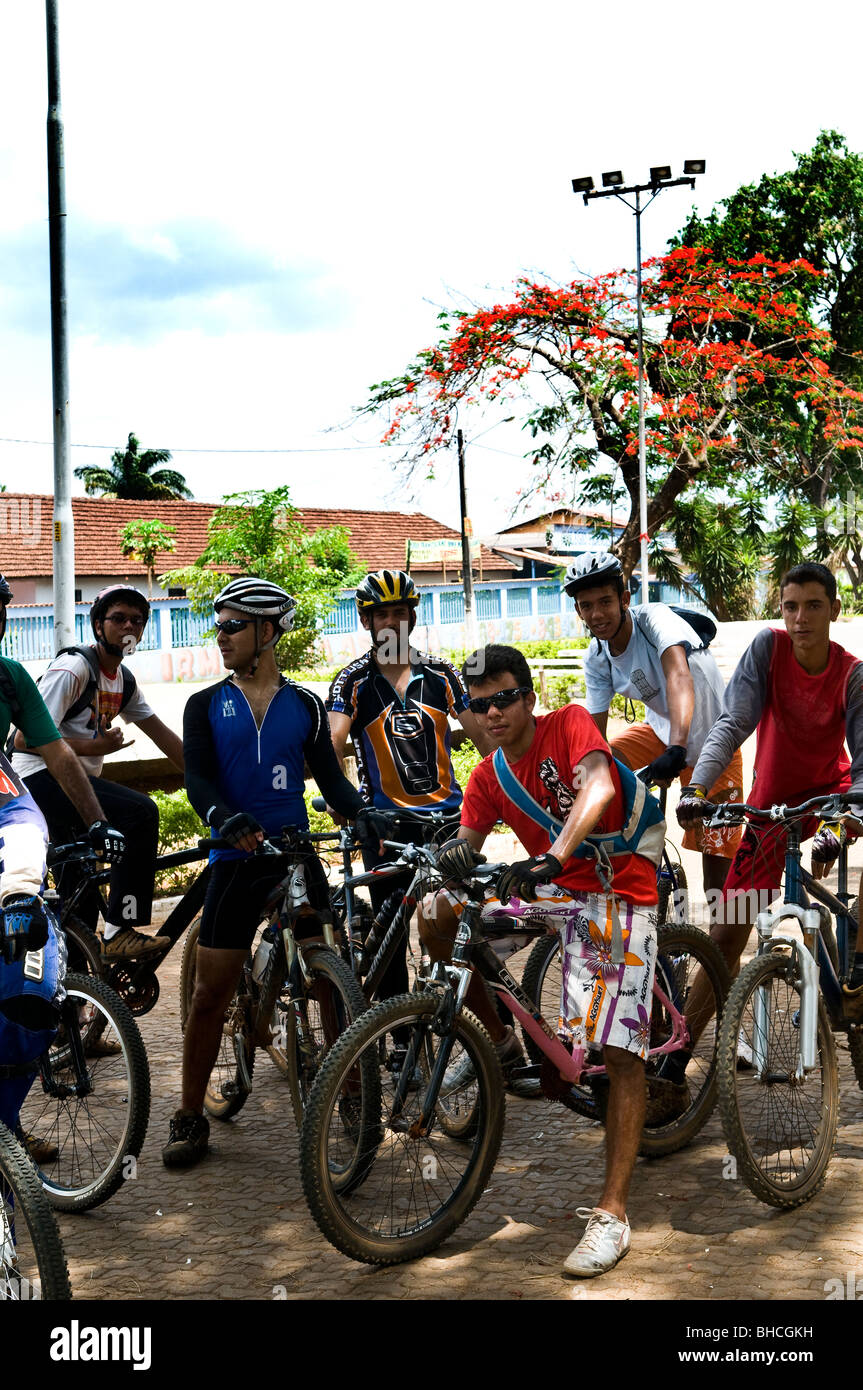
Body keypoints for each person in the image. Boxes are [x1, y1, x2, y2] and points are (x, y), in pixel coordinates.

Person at [420, 643, 665, 1276]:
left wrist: (556, 854)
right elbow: (465, 850)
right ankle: (500, 1041)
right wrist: (437, 869)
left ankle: (612, 1214)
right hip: (553, 890)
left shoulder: (570, 724)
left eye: (504, 698)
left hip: (619, 882)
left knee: (618, 1052)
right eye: (480, 705)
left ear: (529, 698)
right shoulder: (486, 777)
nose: (493, 713)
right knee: (442, 917)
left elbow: (602, 785)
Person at [164, 577, 389, 1168]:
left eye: (232, 625)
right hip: (235, 856)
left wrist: (361, 811)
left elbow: (331, 779)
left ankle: (352, 1089)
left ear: (267, 631)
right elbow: (199, 780)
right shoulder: (204, 705)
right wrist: (221, 815)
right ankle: (189, 1114)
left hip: (293, 853)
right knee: (211, 992)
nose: (221, 636)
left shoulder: (307, 706)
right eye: (219, 625)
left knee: (329, 975)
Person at [678, 562, 863, 1009]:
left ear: (834, 610)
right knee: (724, 936)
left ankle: (849, 971)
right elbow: (733, 722)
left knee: (820, 872)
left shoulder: (852, 675)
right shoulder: (768, 648)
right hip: (770, 811)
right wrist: (697, 788)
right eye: (791, 606)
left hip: (831, 803)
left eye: (814, 606)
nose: (801, 618)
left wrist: (846, 822)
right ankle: (678, 1062)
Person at [326, 569, 493, 1005]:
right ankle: (401, 1044)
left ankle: (491, 1034)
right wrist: (341, 802)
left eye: (401, 612)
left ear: (412, 617)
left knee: (461, 929)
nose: (392, 622)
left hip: (448, 825)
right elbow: (332, 746)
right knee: (391, 940)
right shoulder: (353, 681)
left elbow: (486, 742)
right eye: (382, 614)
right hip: (387, 828)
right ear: (366, 621)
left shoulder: (443, 674)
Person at [12, 584, 183, 962]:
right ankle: (121, 928)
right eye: (118, 618)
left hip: (72, 787)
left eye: (137, 621)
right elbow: (24, 739)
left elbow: (164, 737)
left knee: (81, 904)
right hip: (37, 780)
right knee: (140, 813)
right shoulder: (74, 668)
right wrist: (94, 747)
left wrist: (208, 782)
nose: (128, 627)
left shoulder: (124, 681)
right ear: (97, 625)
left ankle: (73, 999)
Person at [566, 551, 743, 908]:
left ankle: (725, 956)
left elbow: (678, 675)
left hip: (714, 742)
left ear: (625, 599)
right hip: (660, 733)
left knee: (717, 873)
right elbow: (593, 731)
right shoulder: (597, 656)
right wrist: (587, 770)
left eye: (605, 602)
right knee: (599, 762)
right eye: (587, 606)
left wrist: (677, 749)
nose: (597, 615)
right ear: (579, 612)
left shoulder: (655, 619)